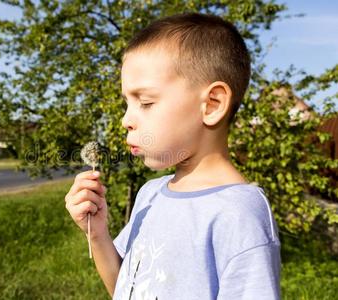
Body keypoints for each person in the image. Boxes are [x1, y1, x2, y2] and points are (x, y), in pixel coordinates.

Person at [65, 12, 281, 299]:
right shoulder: (150, 193)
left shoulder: (238, 215)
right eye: (127, 103)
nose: (126, 120)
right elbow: (125, 289)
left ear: (212, 104)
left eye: (146, 102)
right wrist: (97, 234)